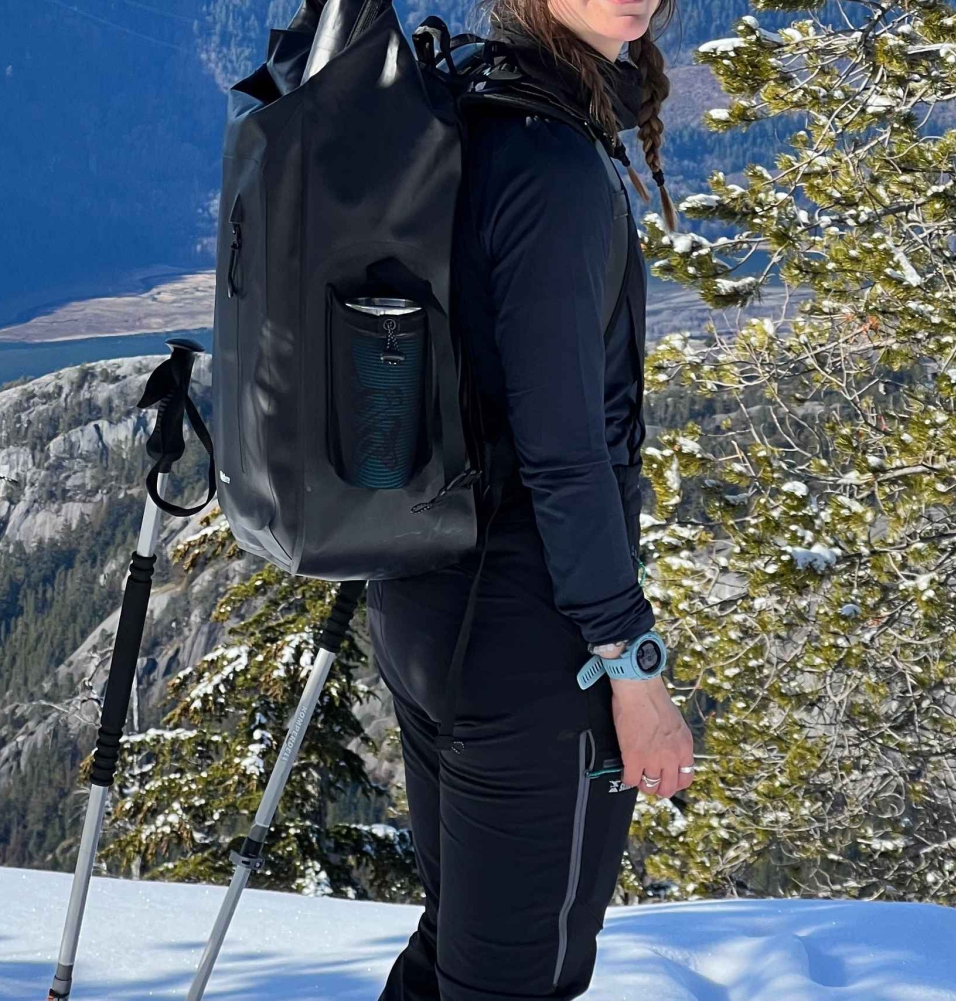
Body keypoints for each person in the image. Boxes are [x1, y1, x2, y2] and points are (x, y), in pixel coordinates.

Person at [364, 0, 693, 997]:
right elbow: (567, 455)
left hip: (427, 605)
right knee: (514, 980)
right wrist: (635, 671)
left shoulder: (472, 109)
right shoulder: (552, 167)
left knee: (461, 953)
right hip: (525, 645)